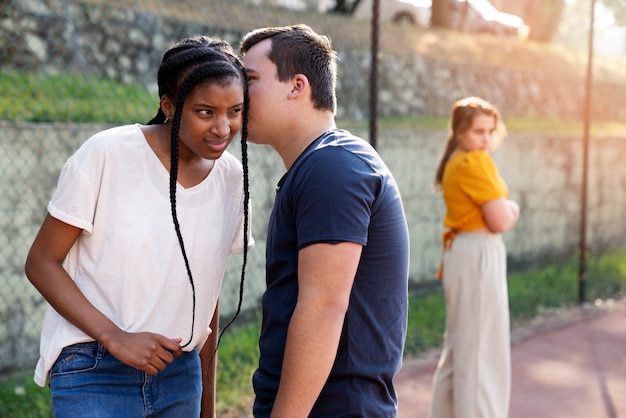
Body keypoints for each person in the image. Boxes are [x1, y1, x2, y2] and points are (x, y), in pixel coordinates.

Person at [24, 35, 253, 418]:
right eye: (205, 112)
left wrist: (206, 405)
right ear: (168, 106)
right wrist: (115, 337)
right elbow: (41, 263)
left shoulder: (232, 177)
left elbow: (207, 297)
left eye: (235, 111)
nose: (222, 127)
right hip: (94, 368)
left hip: (181, 373)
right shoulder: (107, 154)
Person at [239, 24, 410, 417]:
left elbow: (322, 308)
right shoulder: (324, 162)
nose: (237, 94)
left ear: (297, 86)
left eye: (249, 80)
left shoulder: (331, 166)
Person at [430, 96, 519, 418]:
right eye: (479, 131)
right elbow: (500, 220)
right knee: (480, 352)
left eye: (490, 131)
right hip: (479, 254)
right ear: (460, 132)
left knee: (461, 349)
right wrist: (513, 207)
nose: (486, 139)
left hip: (463, 255)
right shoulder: (474, 161)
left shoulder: (456, 160)